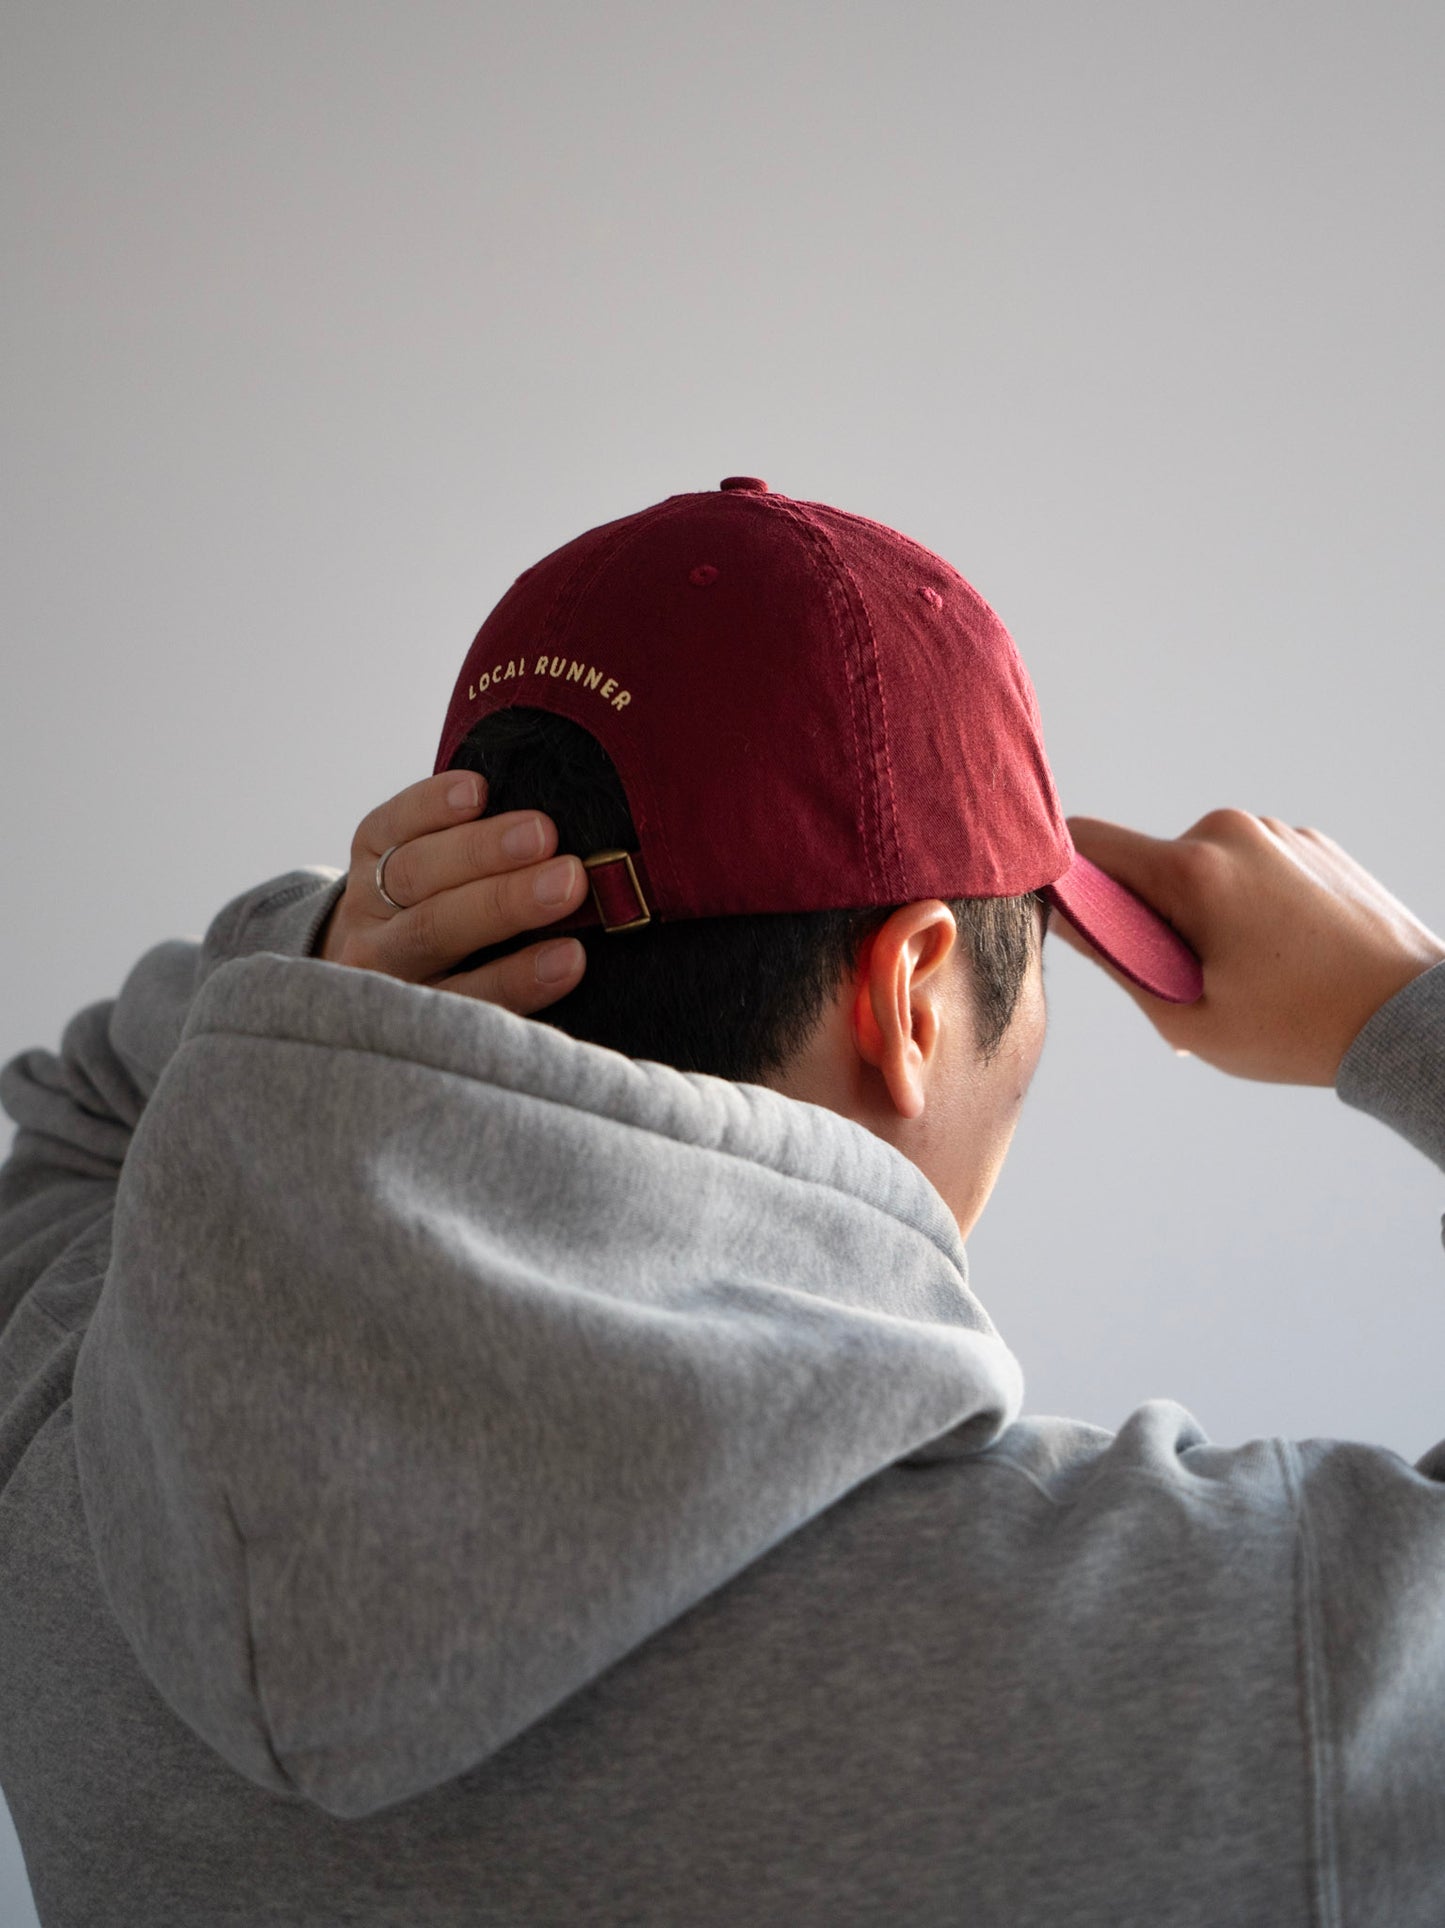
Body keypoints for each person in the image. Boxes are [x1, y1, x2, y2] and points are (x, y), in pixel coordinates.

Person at [0, 479, 1441, 1928]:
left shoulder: (69, 1466)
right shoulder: (1246, 1664)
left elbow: (83, 1109)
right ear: (910, 997)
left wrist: (321, 967)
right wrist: (1409, 1010)